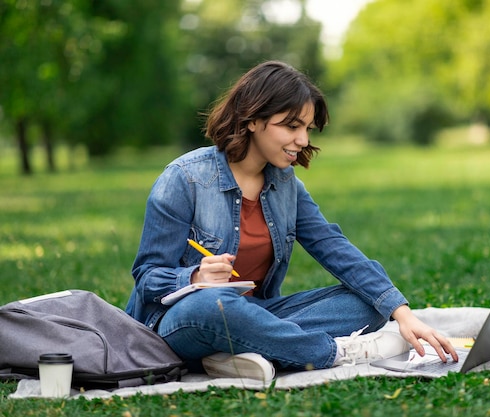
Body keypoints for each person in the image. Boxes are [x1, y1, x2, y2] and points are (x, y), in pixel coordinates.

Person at [125, 60, 457, 381]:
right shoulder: (184, 179)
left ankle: (241, 354)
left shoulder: (286, 186)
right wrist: (195, 276)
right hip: (182, 322)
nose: (302, 140)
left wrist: (402, 313)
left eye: (307, 129)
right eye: (291, 126)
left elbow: (332, 246)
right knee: (216, 306)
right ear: (252, 119)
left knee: (369, 301)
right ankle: (334, 353)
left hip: (260, 315)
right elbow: (148, 277)